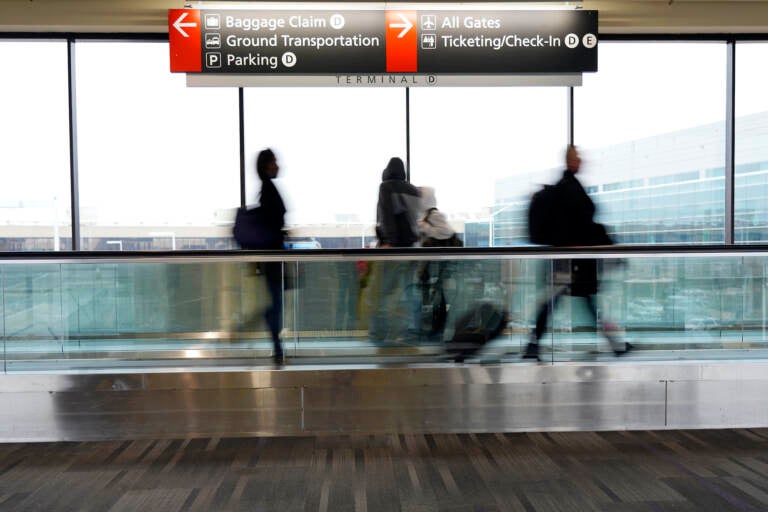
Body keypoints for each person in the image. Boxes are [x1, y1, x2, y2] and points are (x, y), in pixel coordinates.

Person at [524, 145, 632, 360]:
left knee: (566, 302)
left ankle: (533, 345)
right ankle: (615, 344)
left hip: (567, 260)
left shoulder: (565, 187)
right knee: (578, 302)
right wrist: (608, 245)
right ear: (569, 161)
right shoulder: (569, 188)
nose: (581, 161)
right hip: (572, 262)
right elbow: (582, 225)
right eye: (577, 157)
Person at [368, 157, 421, 341]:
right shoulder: (414, 190)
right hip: (413, 250)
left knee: (383, 292)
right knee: (409, 292)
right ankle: (410, 331)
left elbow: (386, 217)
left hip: (394, 249)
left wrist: (388, 242)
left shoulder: (386, 187)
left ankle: (379, 333)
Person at [255, 148, 286, 364]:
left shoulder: (267, 189)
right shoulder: (268, 191)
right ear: (266, 166)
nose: (278, 165)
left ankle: (277, 346)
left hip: (273, 255)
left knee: (276, 302)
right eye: (274, 162)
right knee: (276, 303)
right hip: (273, 256)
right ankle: (277, 347)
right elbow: (270, 224)